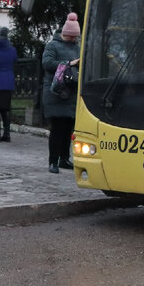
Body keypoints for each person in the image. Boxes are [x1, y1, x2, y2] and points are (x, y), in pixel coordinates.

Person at [42, 12, 81, 173]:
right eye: (71, 36)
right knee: (57, 128)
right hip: (56, 93)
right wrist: (70, 63)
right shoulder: (52, 46)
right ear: (65, 33)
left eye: (75, 37)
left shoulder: (77, 48)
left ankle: (65, 158)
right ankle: (53, 161)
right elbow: (47, 63)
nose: (73, 39)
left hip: (71, 92)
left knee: (68, 129)